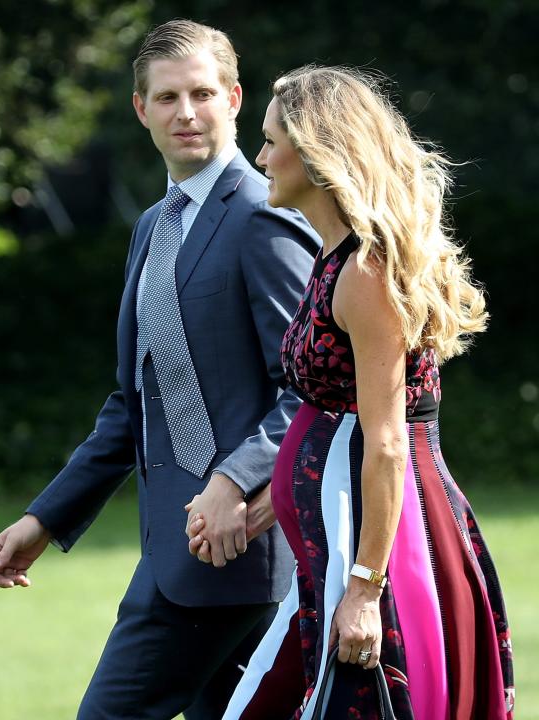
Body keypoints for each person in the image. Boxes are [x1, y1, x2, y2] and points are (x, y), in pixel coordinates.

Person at [0, 19, 320, 719]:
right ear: (141, 109)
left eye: (202, 93)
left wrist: (234, 479)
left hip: (238, 549)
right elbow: (135, 402)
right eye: (166, 98)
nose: (186, 113)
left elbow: (311, 386)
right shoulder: (152, 226)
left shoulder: (263, 215)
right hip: (177, 548)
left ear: (233, 98)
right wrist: (44, 519)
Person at [206, 66, 514, 719]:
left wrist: (367, 588)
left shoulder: (366, 272)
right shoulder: (332, 255)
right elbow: (329, 416)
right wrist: (264, 507)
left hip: (378, 551)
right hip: (328, 549)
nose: (259, 157)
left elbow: (386, 438)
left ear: (318, 152)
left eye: (269, 141)